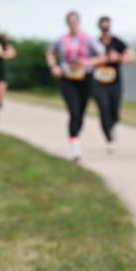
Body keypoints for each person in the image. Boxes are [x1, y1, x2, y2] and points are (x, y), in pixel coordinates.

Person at [46, 11, 106, 161]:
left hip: (85, 77)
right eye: (70, 21)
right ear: (67, 22)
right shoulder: (61, 39)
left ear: (79, 21)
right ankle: (75, 145)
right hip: (67, 78)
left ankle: (76, 135)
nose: (73, 23)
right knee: (73, 110)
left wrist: (88, 62)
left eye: (75, 20)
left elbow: (102, 56)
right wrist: (54, 67)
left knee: (81, 111)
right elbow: (50, 53)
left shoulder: (88, 38)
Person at [91, 16, 134, 153]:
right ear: (99, 27)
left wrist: (118, 57)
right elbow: (87, 59)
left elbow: (131, 57)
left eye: (107, 27)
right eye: (103, 27)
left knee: (114, 110)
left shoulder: (117, 42)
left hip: (114, 82)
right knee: (103, 108)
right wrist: (99, 60)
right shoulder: (94, 43)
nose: (105, 29)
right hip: (98, 82)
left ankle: (114, 125)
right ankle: (109, 140)